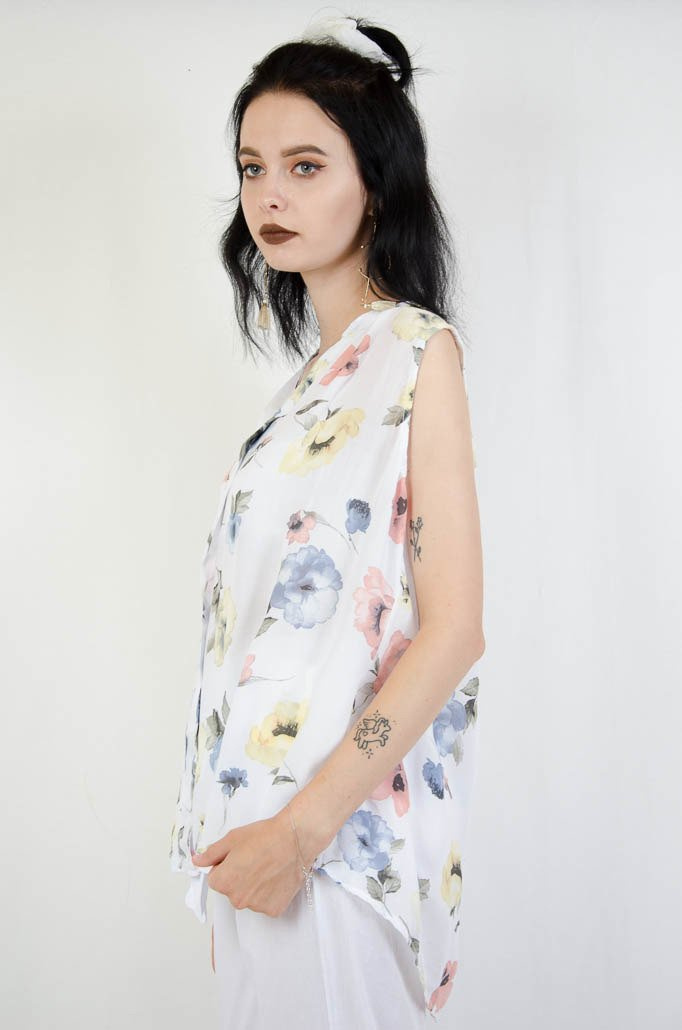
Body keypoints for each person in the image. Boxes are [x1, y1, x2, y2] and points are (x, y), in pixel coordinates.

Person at [169, 12, 485, 1028]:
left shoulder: (415, 353)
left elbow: (453, 631)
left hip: (331, 852)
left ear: (375, 184)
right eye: (253, 167)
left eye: (305, 166)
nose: (270, 194)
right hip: (257, 841)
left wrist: (301, 833)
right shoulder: (306, 389)